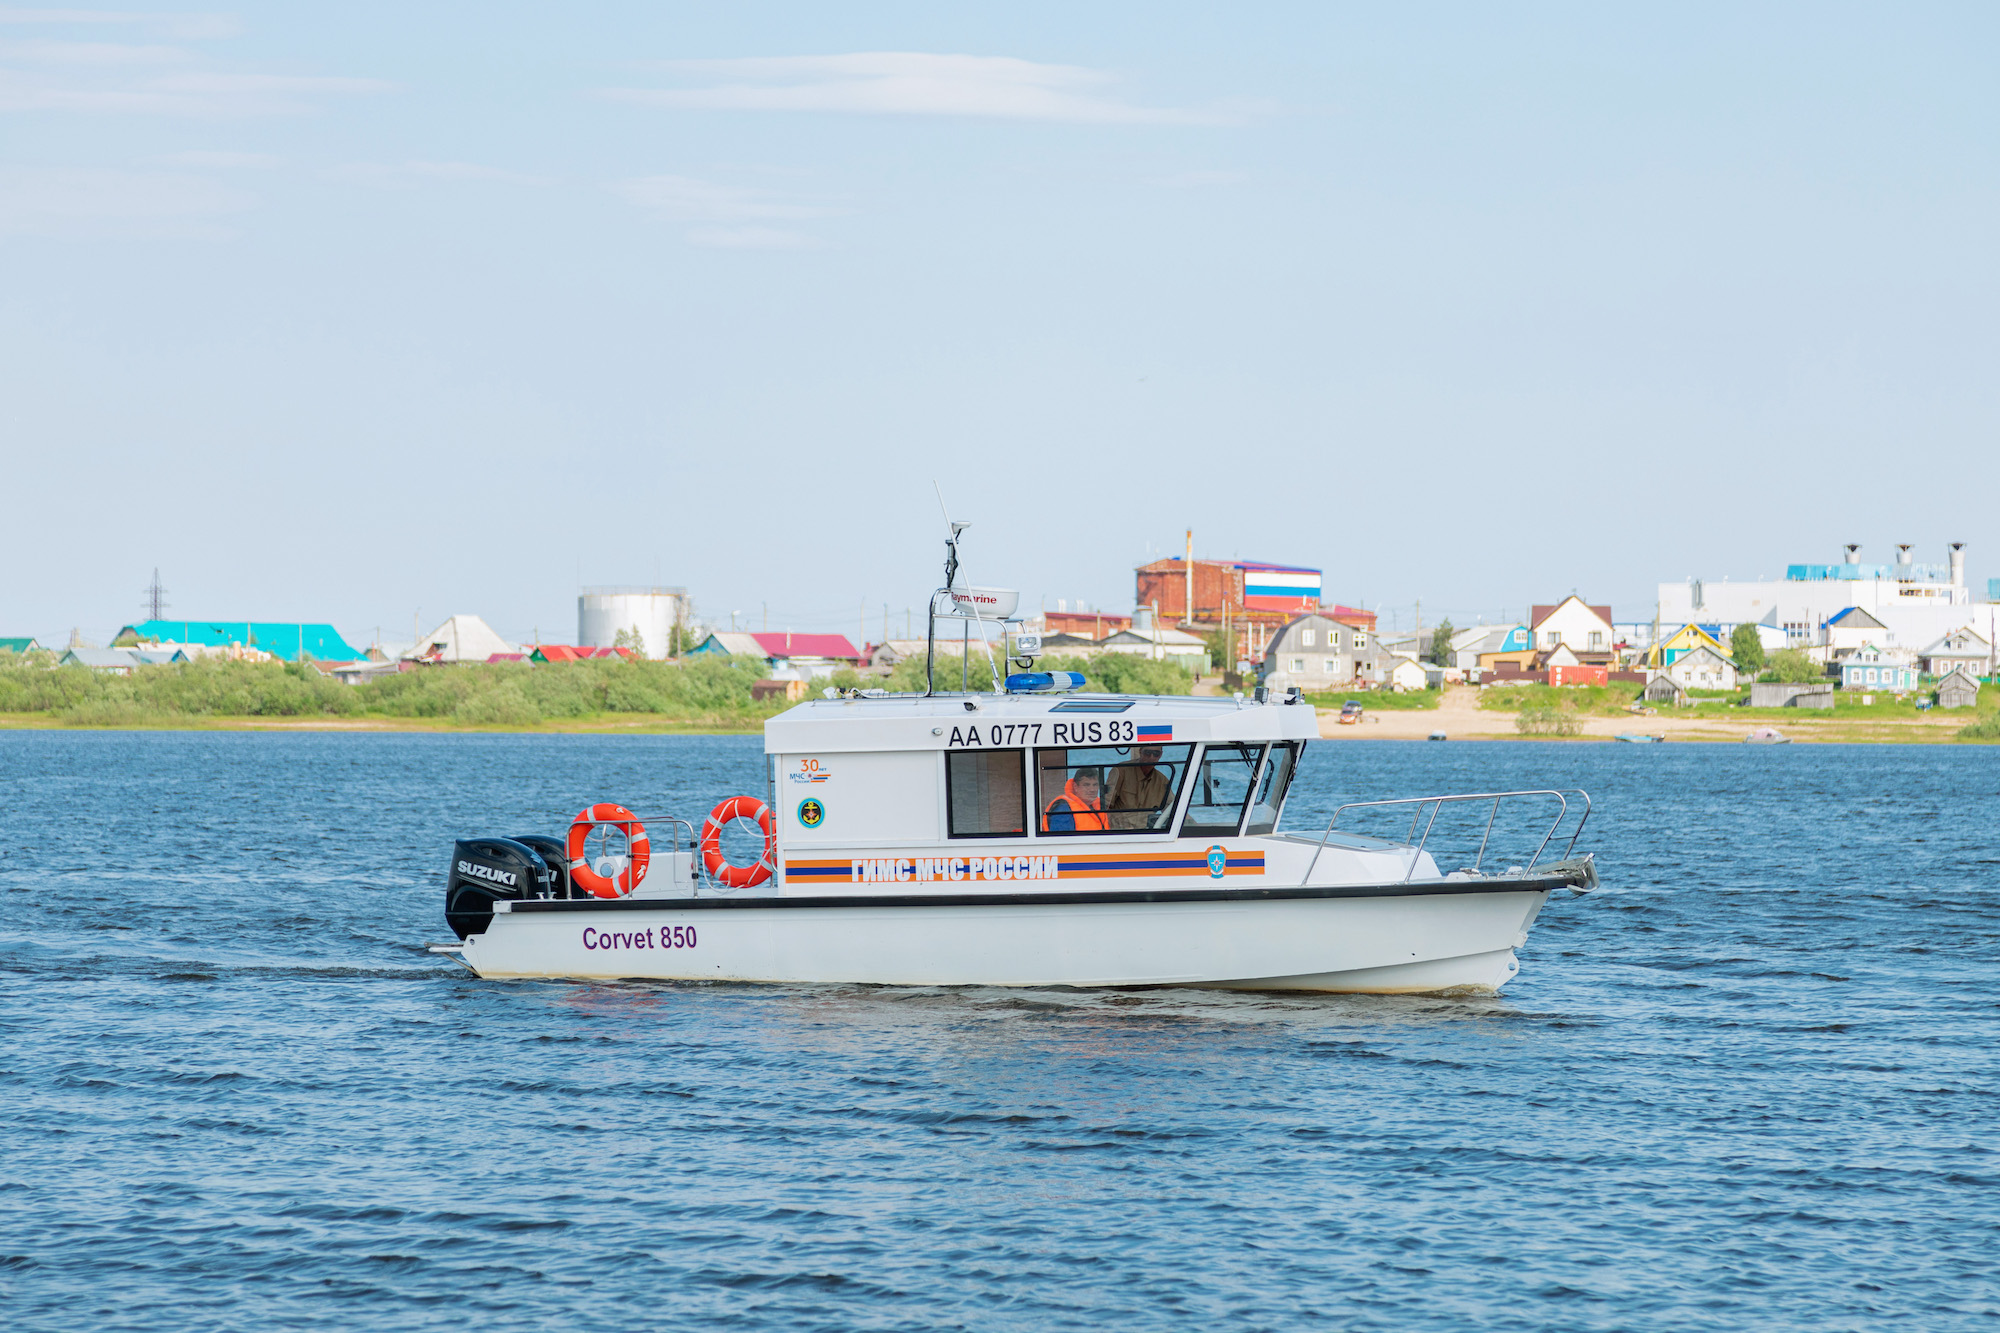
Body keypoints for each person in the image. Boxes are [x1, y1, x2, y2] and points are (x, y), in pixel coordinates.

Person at [1105, 745, 1170, 830]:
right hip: (1119, 832)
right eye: (1147, 753)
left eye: (1156, 754)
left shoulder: (1162, 781)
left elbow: (1171, 808)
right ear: (1140, 752)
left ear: (1161, 755)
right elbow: (1105, 806)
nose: (1151, 757)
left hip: (1147, 833)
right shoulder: (1120, 771)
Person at [1042, 767, 1107, 833]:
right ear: (1075, 787)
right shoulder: (1063, 808)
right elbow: (1061, 840)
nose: (1092, 789)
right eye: (1086, 785)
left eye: (1095, 785)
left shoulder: (1098, 806)